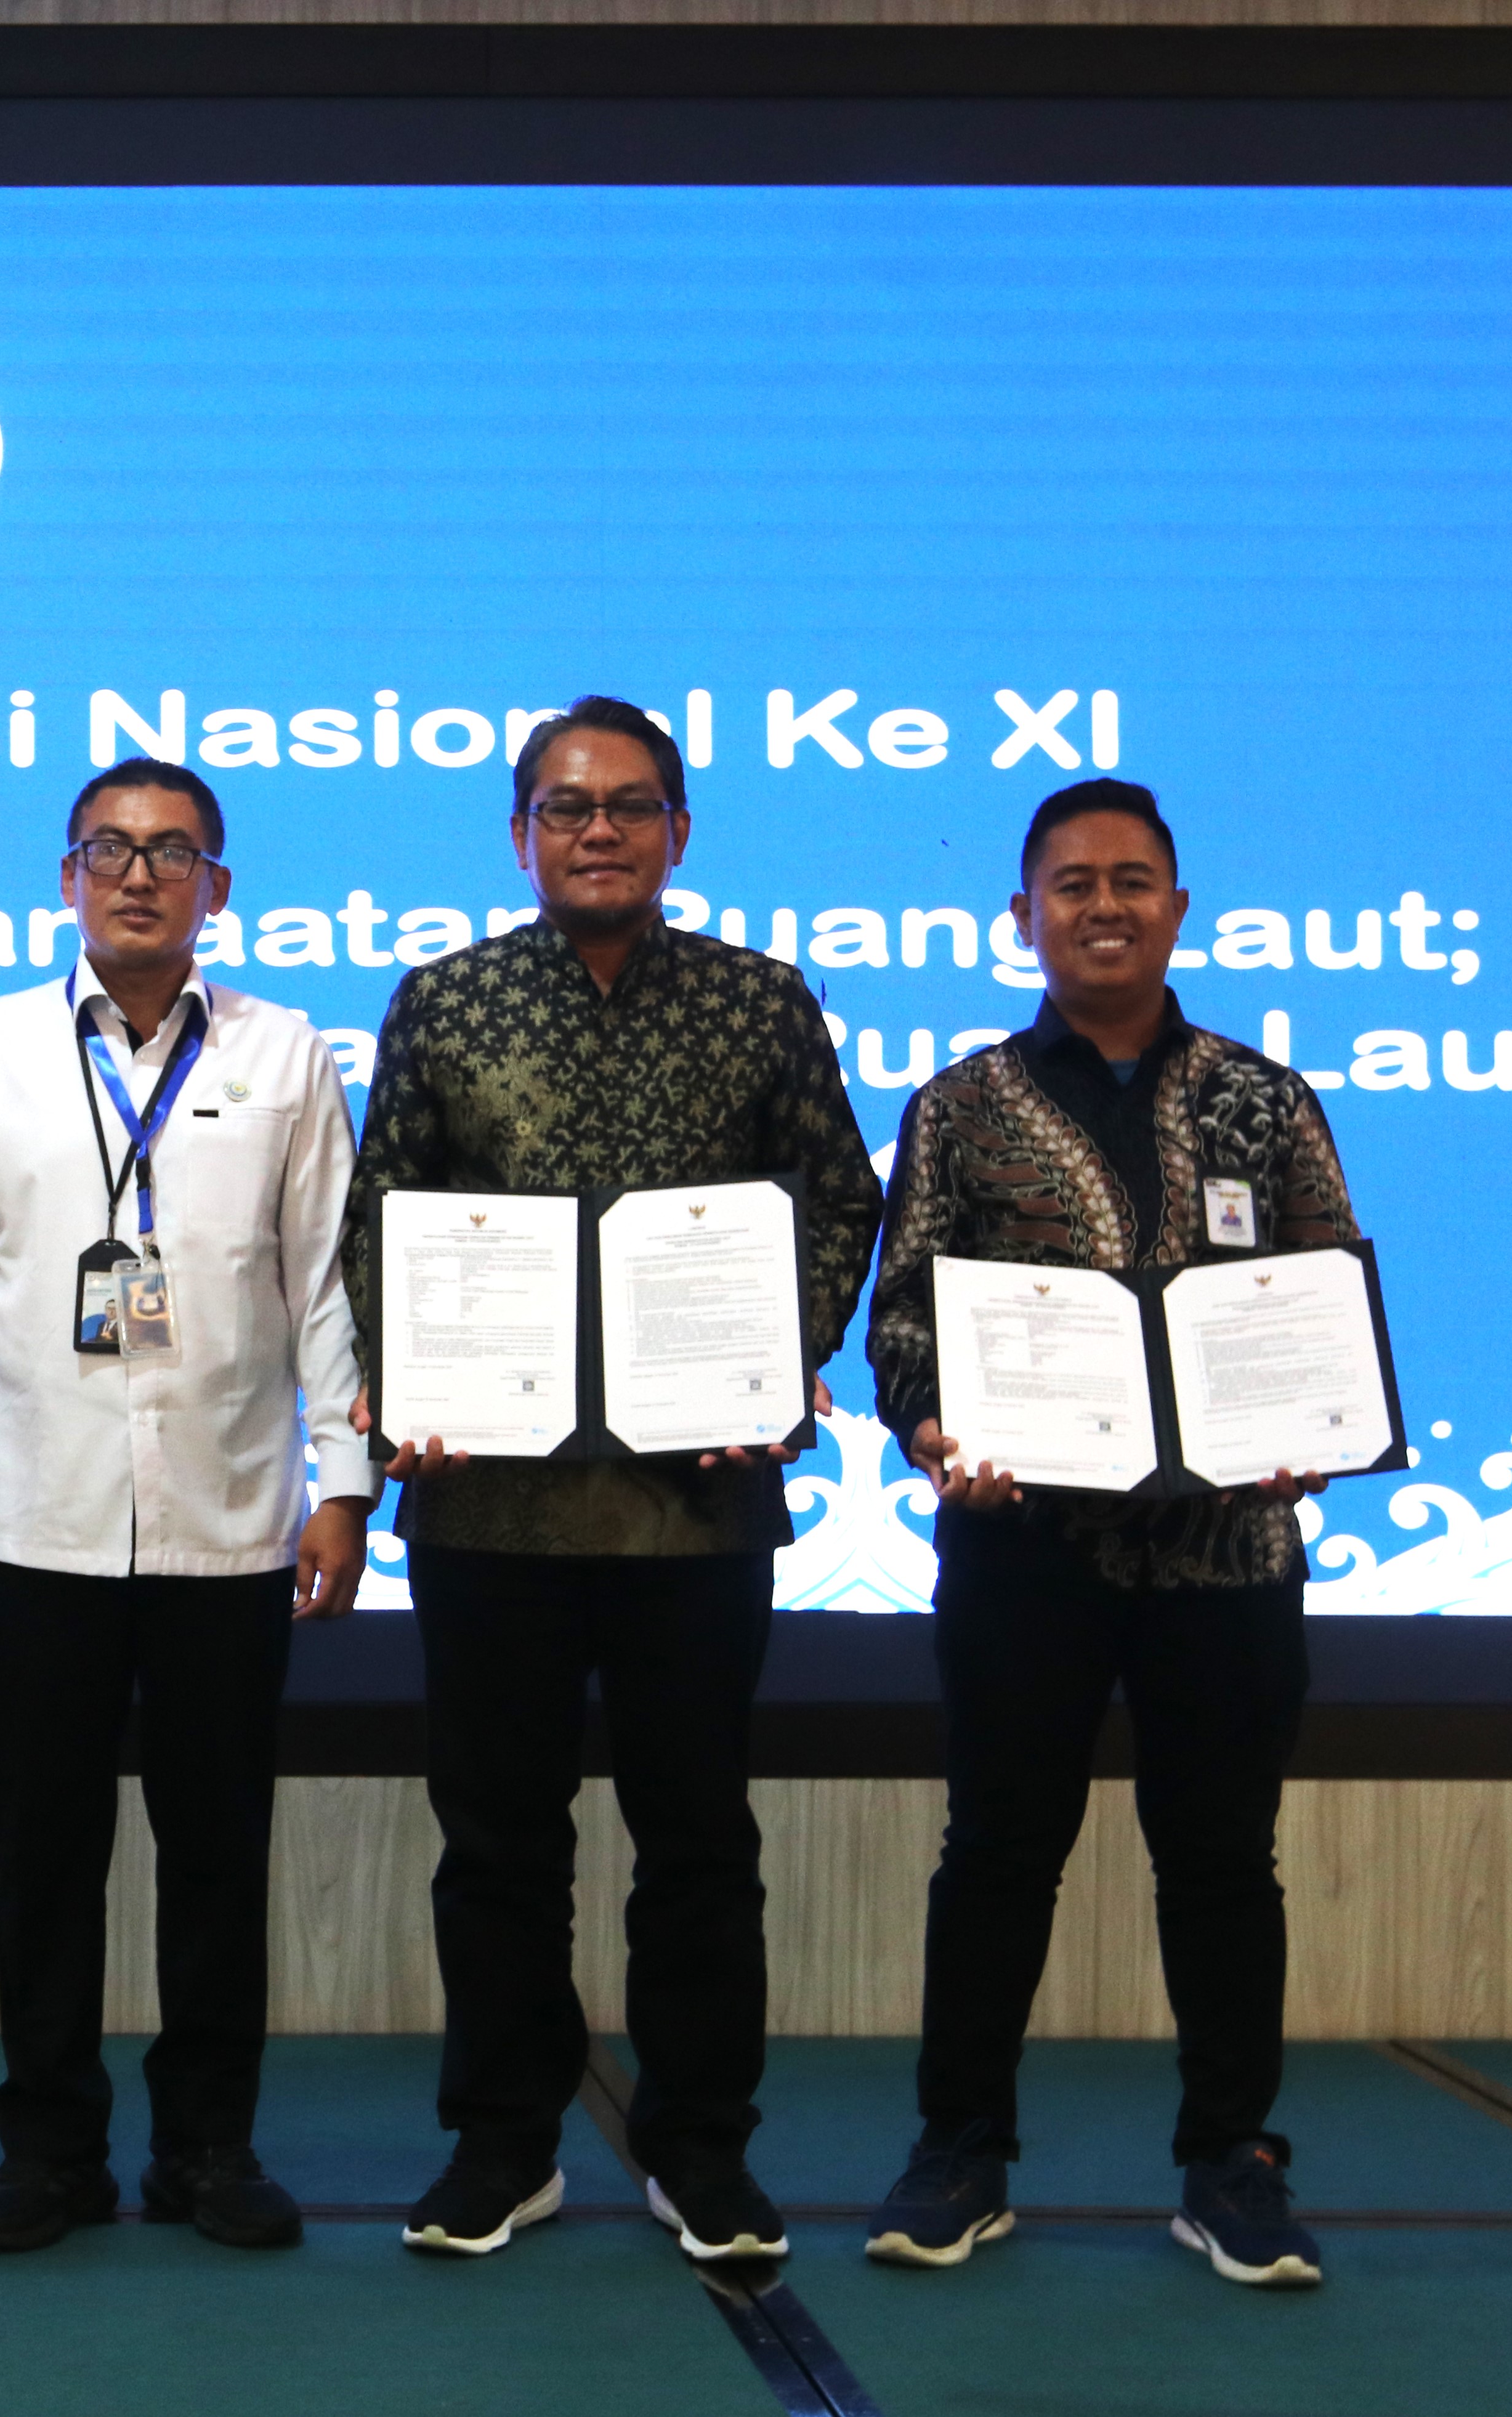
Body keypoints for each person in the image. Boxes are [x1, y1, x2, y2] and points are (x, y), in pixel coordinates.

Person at [345, 694, 881, 2266]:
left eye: (630, 805)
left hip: (694, 1501)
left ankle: (699, 2149)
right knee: (496, 1838)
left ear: (678, 834)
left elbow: (837, 1204)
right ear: (520, 837)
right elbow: (387, 1218)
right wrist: (409, 1386)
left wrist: (776, 1369)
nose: (598, 830)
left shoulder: (761, 1003)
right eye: (568, 808)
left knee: (698, 1839)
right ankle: (504, 2145)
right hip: (487, 1501)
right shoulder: (443, 1004)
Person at [861, 779, 1354, 2290]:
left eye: (1134, 881)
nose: (1104, 907)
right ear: (1023, 916)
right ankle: (963, 2151)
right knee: (997, 1853)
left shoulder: (1266, 1103)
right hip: (1026, 1556)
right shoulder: (958, 1103)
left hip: (1229, 1561)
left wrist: (1310, 1430)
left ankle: (1229, 2159)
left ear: (1180, 909)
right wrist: (935, 1425)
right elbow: (902, 1321)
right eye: (1071, 884)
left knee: (1222, 1862)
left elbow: (1325, 1296)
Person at [0, 758, 374, 2254]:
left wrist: (343, 1479)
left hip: (231, 1519)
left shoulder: (286, 1054)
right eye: (111, 848)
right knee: (44, 1858)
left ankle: (210, 2150)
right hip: (33, 1519)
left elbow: (325, 1283)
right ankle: (50, 2153)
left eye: (174, 853)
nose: (140, 874)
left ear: (217, 889)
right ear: (68, 876)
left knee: (218, 1853)